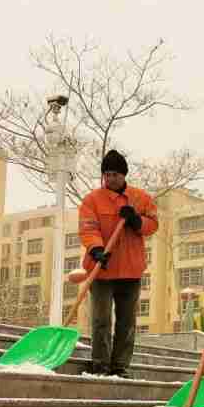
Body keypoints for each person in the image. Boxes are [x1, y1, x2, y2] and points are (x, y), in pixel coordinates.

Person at [78, 149, 158, 378]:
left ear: (124, 175)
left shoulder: (141, 198)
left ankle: (120, 366)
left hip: (130, 270)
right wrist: (96, 249)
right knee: (101, 319)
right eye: (107, 174)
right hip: (101, 269)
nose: (110, 179)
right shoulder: (92, 199)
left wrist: (136, 220)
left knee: (126, 322)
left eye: (115, 174)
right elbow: (87, 227)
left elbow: (153, 225)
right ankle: (100, 363)